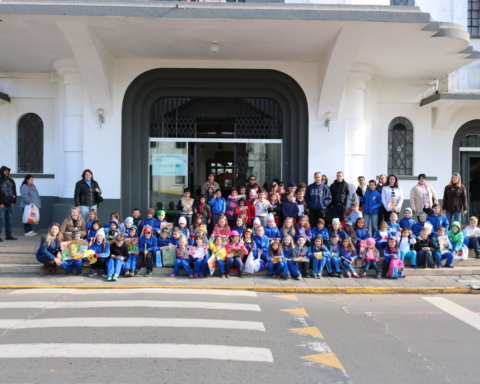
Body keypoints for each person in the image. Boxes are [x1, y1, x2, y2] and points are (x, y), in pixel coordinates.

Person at [0, 166, 17, 241]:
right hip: (2, 205)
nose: (7, 172)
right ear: (2, 172)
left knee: (9, 221)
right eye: (5, 171)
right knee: (0, 221)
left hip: (11, 205)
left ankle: (8, 235)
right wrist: (0, 203)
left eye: (8, 171)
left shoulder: (11, 181)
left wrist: (14, 202)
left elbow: (14, 192)